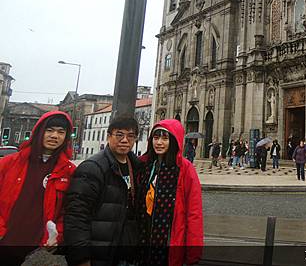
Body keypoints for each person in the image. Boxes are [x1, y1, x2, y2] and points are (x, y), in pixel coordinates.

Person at [0, 111, 75, 265]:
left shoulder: (69, 171)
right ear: (39, 132)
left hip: (36, 249)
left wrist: (56, 236)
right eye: (50, 130)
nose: (55, 136)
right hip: (4, 240)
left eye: (61, 132)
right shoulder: (9, 163)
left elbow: (68, 211)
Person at [64, 117, 140, 266]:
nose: (125, 140)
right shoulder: (92, 168)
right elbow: (76, 215)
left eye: (130, 136)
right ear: (109, 136)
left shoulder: (136, 167)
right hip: (98, 254)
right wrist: (81, 257)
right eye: (119, 135)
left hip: (123, 252)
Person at [136, 120, 203, 266]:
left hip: (169, 243)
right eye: (156, 137)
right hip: (142, 240)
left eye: (165, 138)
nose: (159, 142)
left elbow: (194, 213)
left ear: (174, 141)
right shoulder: (143, 165)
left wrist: (193, 253)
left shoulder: (185, 169)